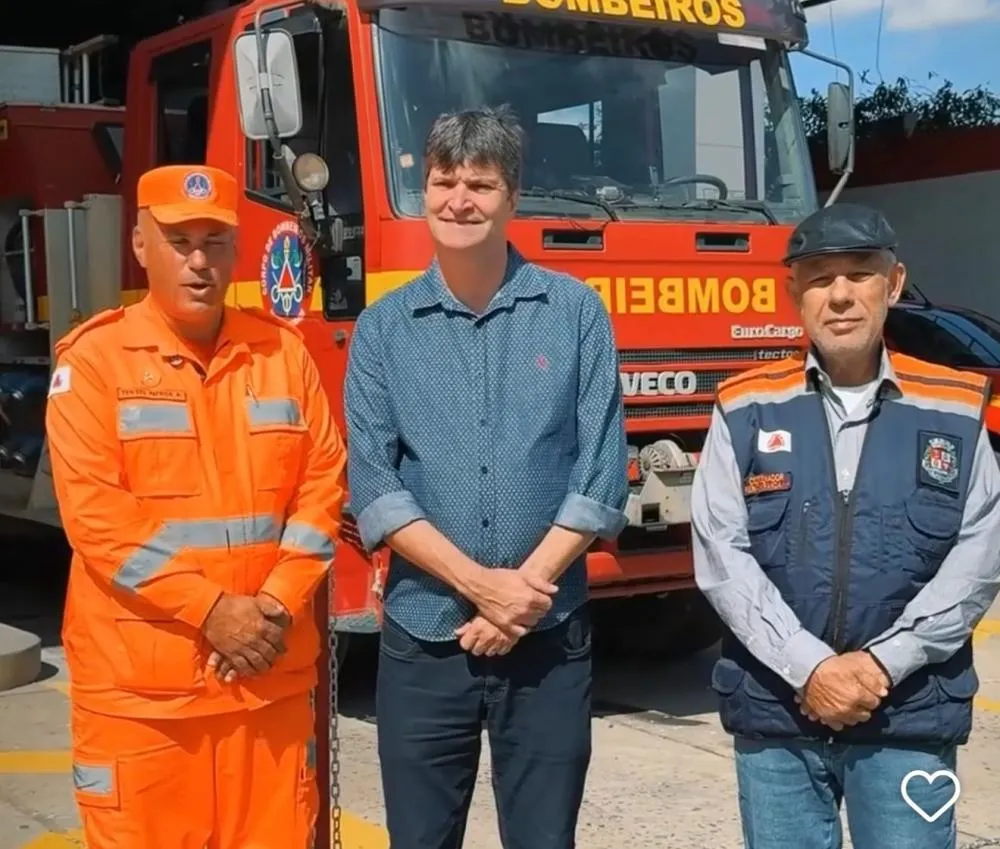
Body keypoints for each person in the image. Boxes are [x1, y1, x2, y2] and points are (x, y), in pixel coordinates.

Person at [344, 106, 629, 849]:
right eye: (444, 181)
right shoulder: (383, 328)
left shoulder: (575, 314)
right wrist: (484, 585)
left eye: (480, 182)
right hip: (423, 639)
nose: (459, 199)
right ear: (425, 191)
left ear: (513, 195)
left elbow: (598, 473)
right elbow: (376, 485)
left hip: (547, 639)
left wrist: (520, 596)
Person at [45, 164, 347, 849]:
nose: (199, 260)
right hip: (144, 706)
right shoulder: (95, 363)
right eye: (179, 240)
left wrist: (271, 605)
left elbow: (323, 482)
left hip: (264, 685)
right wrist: (214, 612)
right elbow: (97, 517)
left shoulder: (283, 353)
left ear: (237, 249)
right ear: (140, 244)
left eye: (215, 240)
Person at [691, 202, 1000, 849]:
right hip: (779, 716)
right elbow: (722, 554)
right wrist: (810, 669)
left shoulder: (957, 405)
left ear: (892, 284)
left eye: (859, 274)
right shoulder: (743, 404)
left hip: (908, 717)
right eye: (820, 276)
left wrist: (881, 665)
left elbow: (979, 557)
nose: (839, 295)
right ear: (793, 291)